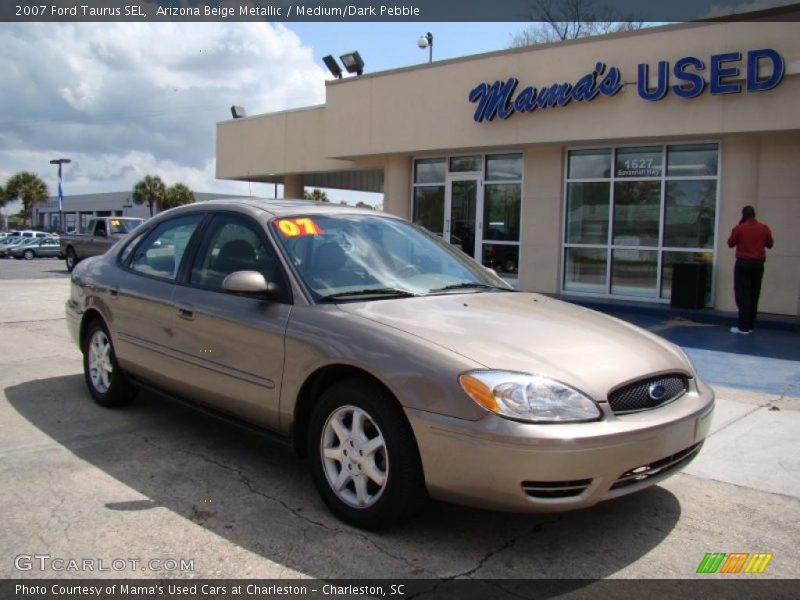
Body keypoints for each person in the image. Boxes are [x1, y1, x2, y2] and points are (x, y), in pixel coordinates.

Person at [727, 206, 774, 334]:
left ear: (743, 215)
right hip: (758, 264)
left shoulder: (739, 229)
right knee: (754, 294)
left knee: (742, 295)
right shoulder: (764, 228)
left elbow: (730, 243)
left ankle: (743, 327)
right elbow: (770, 244)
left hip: (743, 264)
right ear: (754, 215)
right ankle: (751, 325)